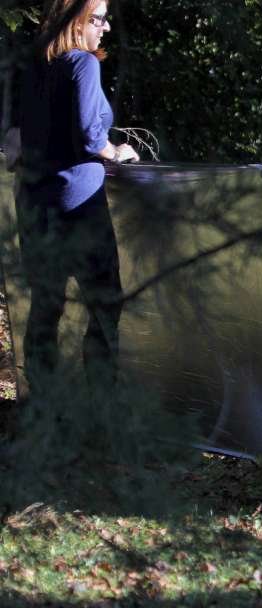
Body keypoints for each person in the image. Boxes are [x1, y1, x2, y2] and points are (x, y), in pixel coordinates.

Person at [16, 0, 138, 389]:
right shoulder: (83, 64)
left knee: (46, 305)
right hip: (79, 206)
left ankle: (43, 402)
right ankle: (100, 401)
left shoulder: (35, 67)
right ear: (77, 22)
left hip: (35, 205)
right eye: (98, 19)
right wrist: (116, 152)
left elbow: (18, 134)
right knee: (105, 302)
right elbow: (89, 134)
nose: (106, 28)